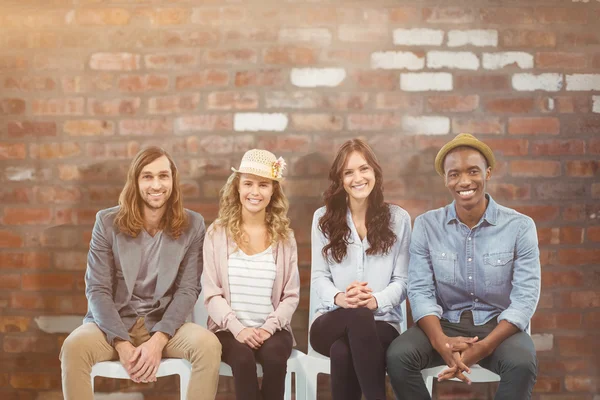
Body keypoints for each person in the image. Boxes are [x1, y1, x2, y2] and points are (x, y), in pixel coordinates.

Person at [60, 146, 221, 400]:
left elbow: (188, 289)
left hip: (163, 325)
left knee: (208, 345)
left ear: (173, 180)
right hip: (112, 325)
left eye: (163, 176)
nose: (156, 185)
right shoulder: (107, 223)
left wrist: (158, 342)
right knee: (74, 347)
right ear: (135, 181)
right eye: (147, 176)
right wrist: (121, 345)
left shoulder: (193, 225)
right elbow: (97, 289)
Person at [386, 133, 540, 400]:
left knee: (522, 364)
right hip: (444, 323)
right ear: (446, 179)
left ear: (488, 173)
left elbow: (525, 298)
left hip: (498, 327)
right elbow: (420, 291)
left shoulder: (520, 226)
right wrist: (440, 341)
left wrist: (484, 348)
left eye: (473, 171)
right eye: (454, 174)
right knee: (398, 356)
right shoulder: (426, 225)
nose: (464, 181)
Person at [310, 138, 411, 400]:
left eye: (364, 169)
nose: (358, 178)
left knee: (343, 350)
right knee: (355, 315)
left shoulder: (398, 220)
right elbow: (319, 277)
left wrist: (374, 300)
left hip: (383, 326)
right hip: (330, 322)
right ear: (340, 180)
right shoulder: (322, 219)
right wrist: (341, 298)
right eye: (348, 172)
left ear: (375, 172)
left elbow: (402, 282)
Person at [202, 149, 300, 400]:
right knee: (243, 360)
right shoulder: (217, 233)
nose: (255, 192)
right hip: (228, 331)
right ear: (237, 187)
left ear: (273, 190)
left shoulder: (284, 237)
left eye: (263, 185)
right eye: (248, 183)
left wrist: (268, 329)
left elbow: (290, 296)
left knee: (275, 358)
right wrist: (238, 329)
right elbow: (212, 294)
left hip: (273, 330)